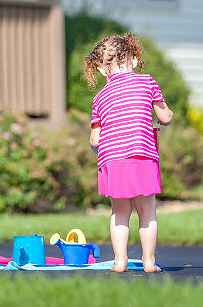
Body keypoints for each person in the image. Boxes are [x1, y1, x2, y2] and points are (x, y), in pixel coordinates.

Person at [84, 32, 173, 273]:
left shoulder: (99, 98)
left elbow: (95, 139)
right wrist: (167, 119)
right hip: (142, 155)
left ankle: (120, 261)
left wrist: (100, 150)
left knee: (119, 212)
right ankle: (149, 262)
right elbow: (164, 116)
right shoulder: (147, 82)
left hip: (113, 161)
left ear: (103, 71)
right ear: (134, 59)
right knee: (147, 211)